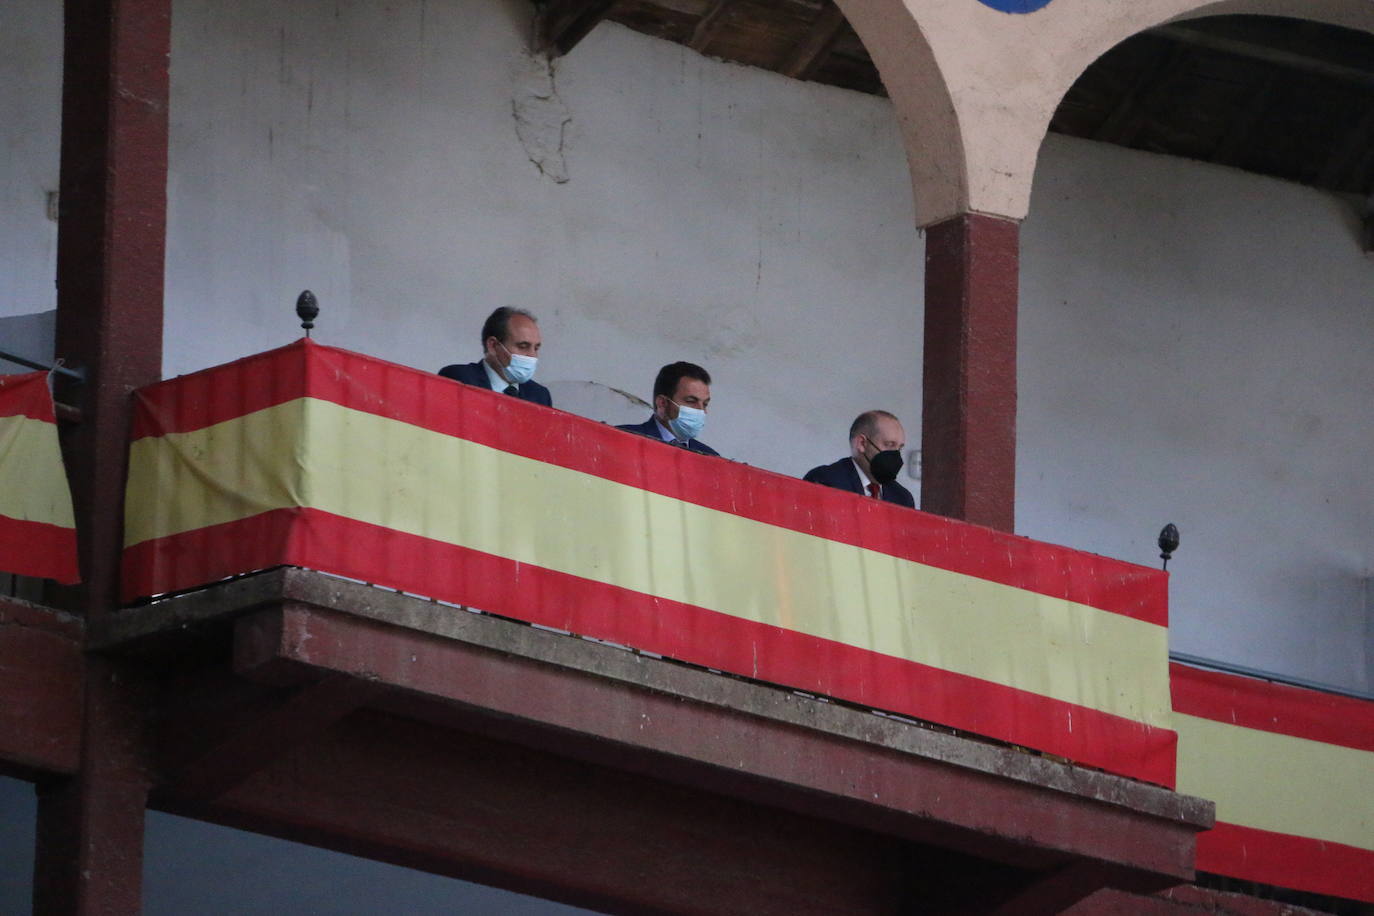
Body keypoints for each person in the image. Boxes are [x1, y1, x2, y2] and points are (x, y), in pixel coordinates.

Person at [439, 307, 552, 406]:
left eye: (536, 348)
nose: (532, 355)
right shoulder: (459, 379)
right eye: (523, 346)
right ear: (493, 346)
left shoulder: (540, 395)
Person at [803, 410, 914, 508]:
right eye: (889, 444)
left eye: (899, 448)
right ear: (862, 443)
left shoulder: (902, 499)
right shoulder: (826, 482)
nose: (895, 454)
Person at [618, 362, 719, 456]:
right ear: (662, 403)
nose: (701, 411)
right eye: (691, 401)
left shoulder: (710, 458)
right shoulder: (622, 439)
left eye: (705, 404)